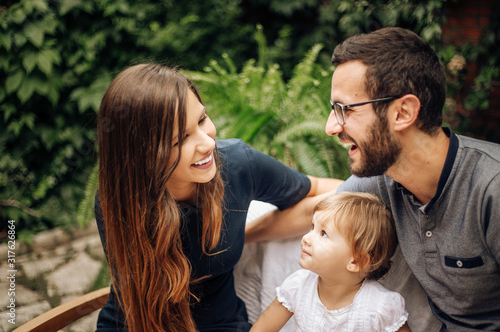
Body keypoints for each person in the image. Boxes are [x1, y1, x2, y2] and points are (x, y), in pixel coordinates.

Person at [94, 63, 342, 331]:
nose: (208, 143)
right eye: (181, 140)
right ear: (142, 156)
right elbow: (145, 302)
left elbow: (319, 189)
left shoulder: (236, 164)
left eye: (202, 120)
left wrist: (374, 191)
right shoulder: (120, 202)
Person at [324, 27, 500, 331]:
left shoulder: (492, 189)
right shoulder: (383, 180)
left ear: (403, 112)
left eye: (345, 110)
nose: (331, 127)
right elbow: (319, 209)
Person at [250, 191, 409, 332]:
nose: (306, 238)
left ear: (356, 261)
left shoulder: (380, 307)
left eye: (323, 233)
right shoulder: (298, 286)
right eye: (312, 227)